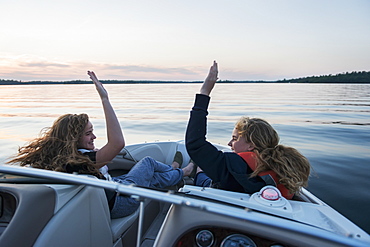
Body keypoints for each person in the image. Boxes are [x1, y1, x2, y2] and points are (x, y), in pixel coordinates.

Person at [7, 71, 193, 218]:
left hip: (111, 191)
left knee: (150, 179)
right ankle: (181, 171)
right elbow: (118, 143)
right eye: (88, 133)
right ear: (73, 138)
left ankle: (174, 171)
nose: (94, 137)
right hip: (118, 204)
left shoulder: (61, 159)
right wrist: (105, 99)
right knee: (147, 163)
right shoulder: (80, 162)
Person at [185, 61, 311, 199]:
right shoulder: (280, 168)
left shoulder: (232, 167)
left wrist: (204, 92)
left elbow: (195, 144)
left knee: (201, 172)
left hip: (215, 190)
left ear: (252, 145)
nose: (229, 144)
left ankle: (194, 169)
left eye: (234, 138)